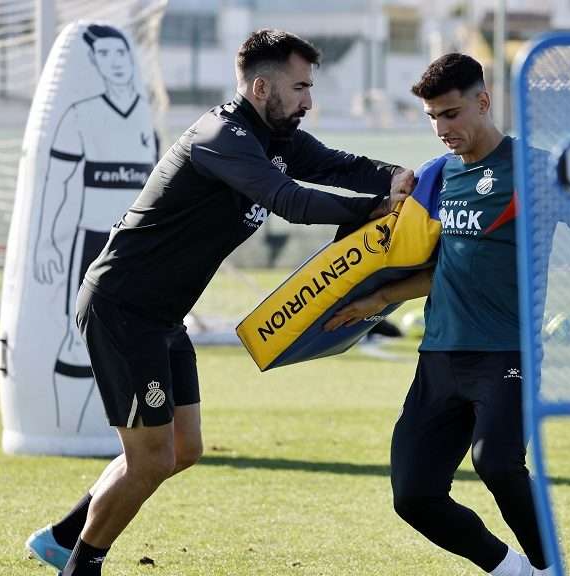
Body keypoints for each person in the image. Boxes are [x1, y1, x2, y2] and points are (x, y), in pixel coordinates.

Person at [25, 29, 413, 576]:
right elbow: (290, 201)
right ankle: (81, 564)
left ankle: (62, 536)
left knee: (183, 449)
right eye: (301, 87)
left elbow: (334, 164)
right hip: (123, 308)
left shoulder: (277, 137)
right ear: (261, 86)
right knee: (152, 458)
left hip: (162, 315)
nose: (309, 101)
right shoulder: (221, 135)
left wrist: (396, 178)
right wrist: (375, 207)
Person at [326, 53, 570, 576]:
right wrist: (377, 301)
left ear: (483, 101)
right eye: (433, 118)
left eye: (451, 113)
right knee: (414, 495)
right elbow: (443, 265)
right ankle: (513, 571)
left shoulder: (535, 170)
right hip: (440, 356)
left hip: (506, 353)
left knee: (497, 463)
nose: (442, 129)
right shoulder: (439, 178)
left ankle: (550, 567)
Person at [32, 24, 160, 433]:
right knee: (76, 338)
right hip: (91, 242)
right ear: (94, 62)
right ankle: (61, 430)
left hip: (137, 247)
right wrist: (50, 243)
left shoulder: (144, 118)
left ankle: (122, 435)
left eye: (120, 53)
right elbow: (56, 183)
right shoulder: (79, 115)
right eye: (104, 55)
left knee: (134, 338)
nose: (116, 62)